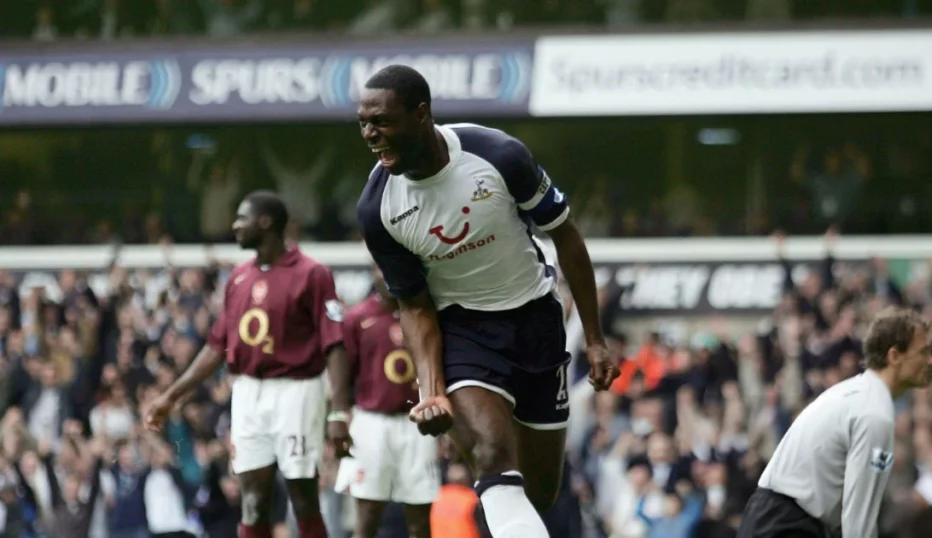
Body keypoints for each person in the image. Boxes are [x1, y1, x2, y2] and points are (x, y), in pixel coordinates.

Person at [354, 64, 620, 538]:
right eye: (364, 123)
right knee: (492, 454)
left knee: (539, 492)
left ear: (421, 114)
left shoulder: (498, 155)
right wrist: (433, 389)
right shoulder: (378, 208)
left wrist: (595, 339)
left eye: (382, 122)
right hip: (464, 330)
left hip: (537, 318)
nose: (371, 135)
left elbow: (566, 236)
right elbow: (415, 308)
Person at [144, 190, 347, 538]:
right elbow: (216, 347)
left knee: (303, 497)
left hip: (296, 391)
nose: (235, 226)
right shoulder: (238, 278)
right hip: (248, 392)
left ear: (265, 222)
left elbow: (336, 345)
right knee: (252, 498)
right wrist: (171, 396)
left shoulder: (312, 274)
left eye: (242, 218)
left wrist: (340, 412)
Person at [737, 306, 932, 538]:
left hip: (775, 520)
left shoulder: (856, 395)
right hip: (785, 527)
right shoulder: (874, 414)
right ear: (894, 356)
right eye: (923, 352)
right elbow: (858, 525)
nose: (931, 360)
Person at [331, 263, 438, 537]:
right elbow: (343, 375)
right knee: (367, 516)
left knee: (420, 520)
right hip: (371, 423)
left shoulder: (424, 312)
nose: (386, 274)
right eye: (380, 269)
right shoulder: (357, 317)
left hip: (418, 424)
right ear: (372, 274)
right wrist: (338, 417)